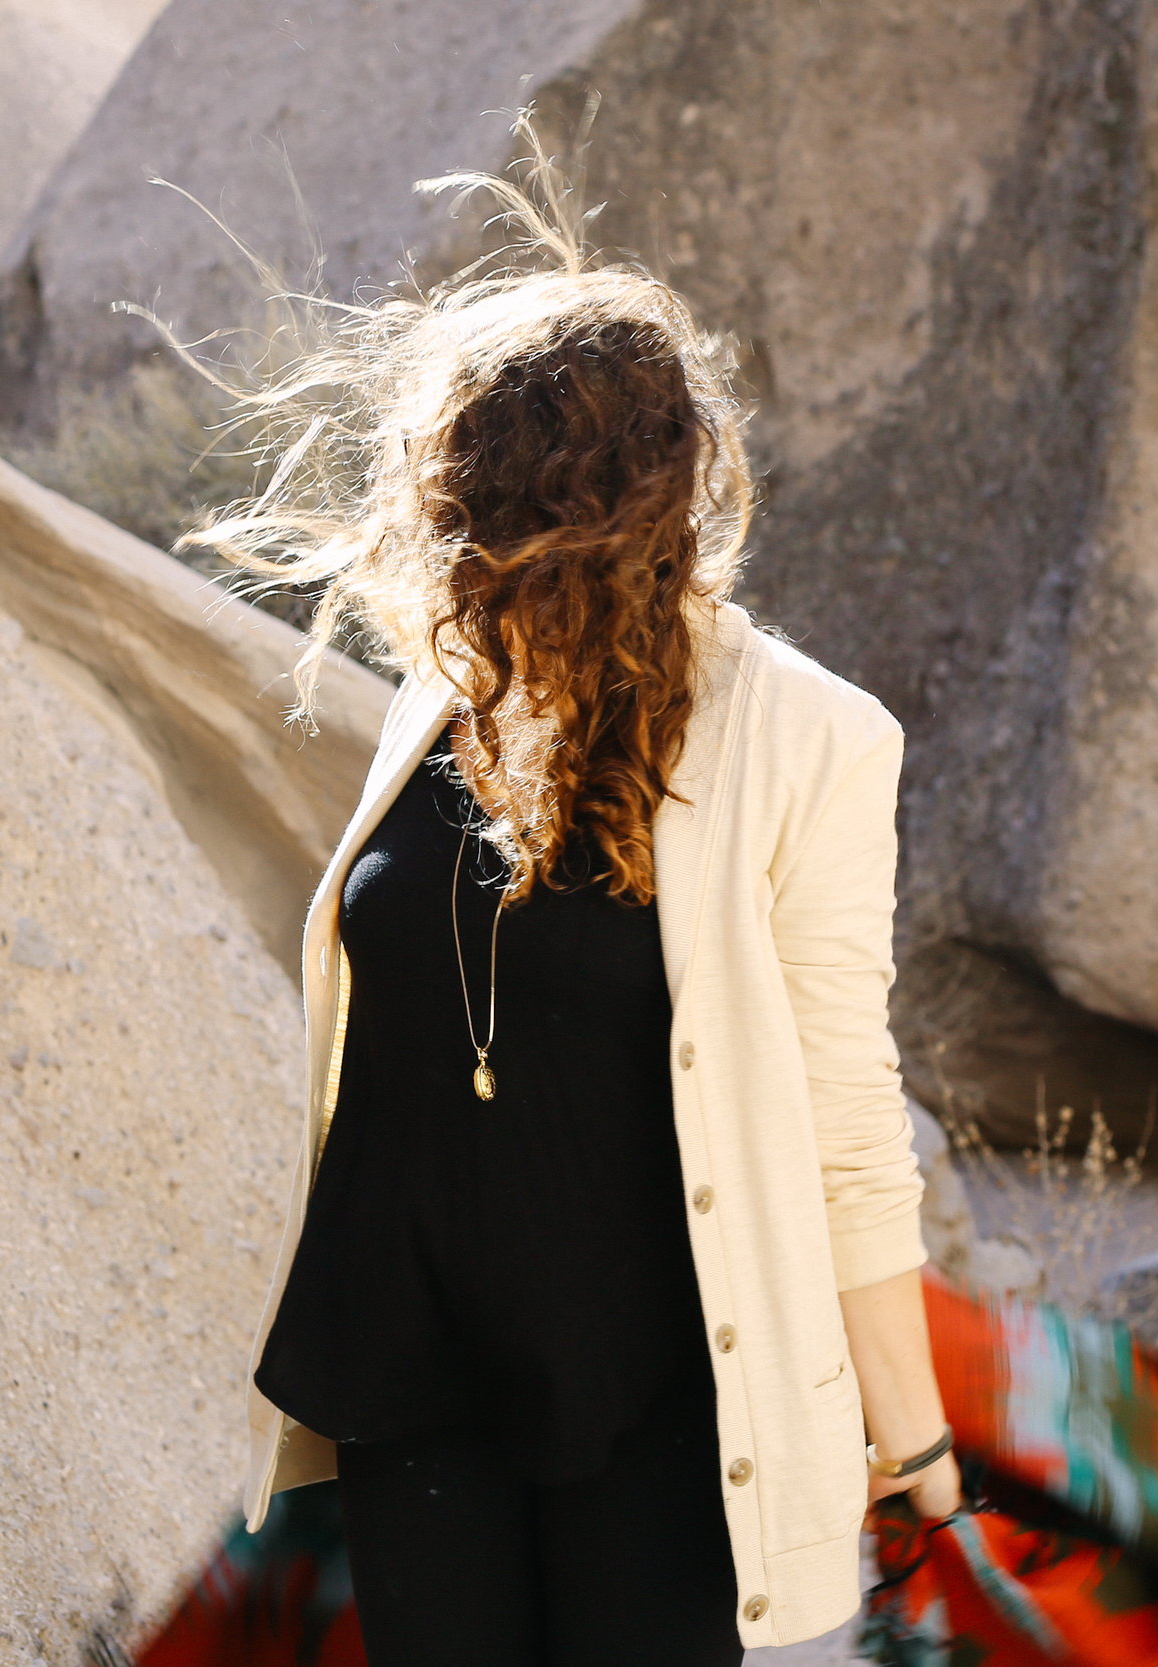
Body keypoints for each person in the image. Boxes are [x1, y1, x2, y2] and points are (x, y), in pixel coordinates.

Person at [182, 171, 962, 1665]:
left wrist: (910, 1438)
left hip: (659, 1399)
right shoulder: (443, 697)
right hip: (413, 1377)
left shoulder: (810, 739)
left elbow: (848, 1118)